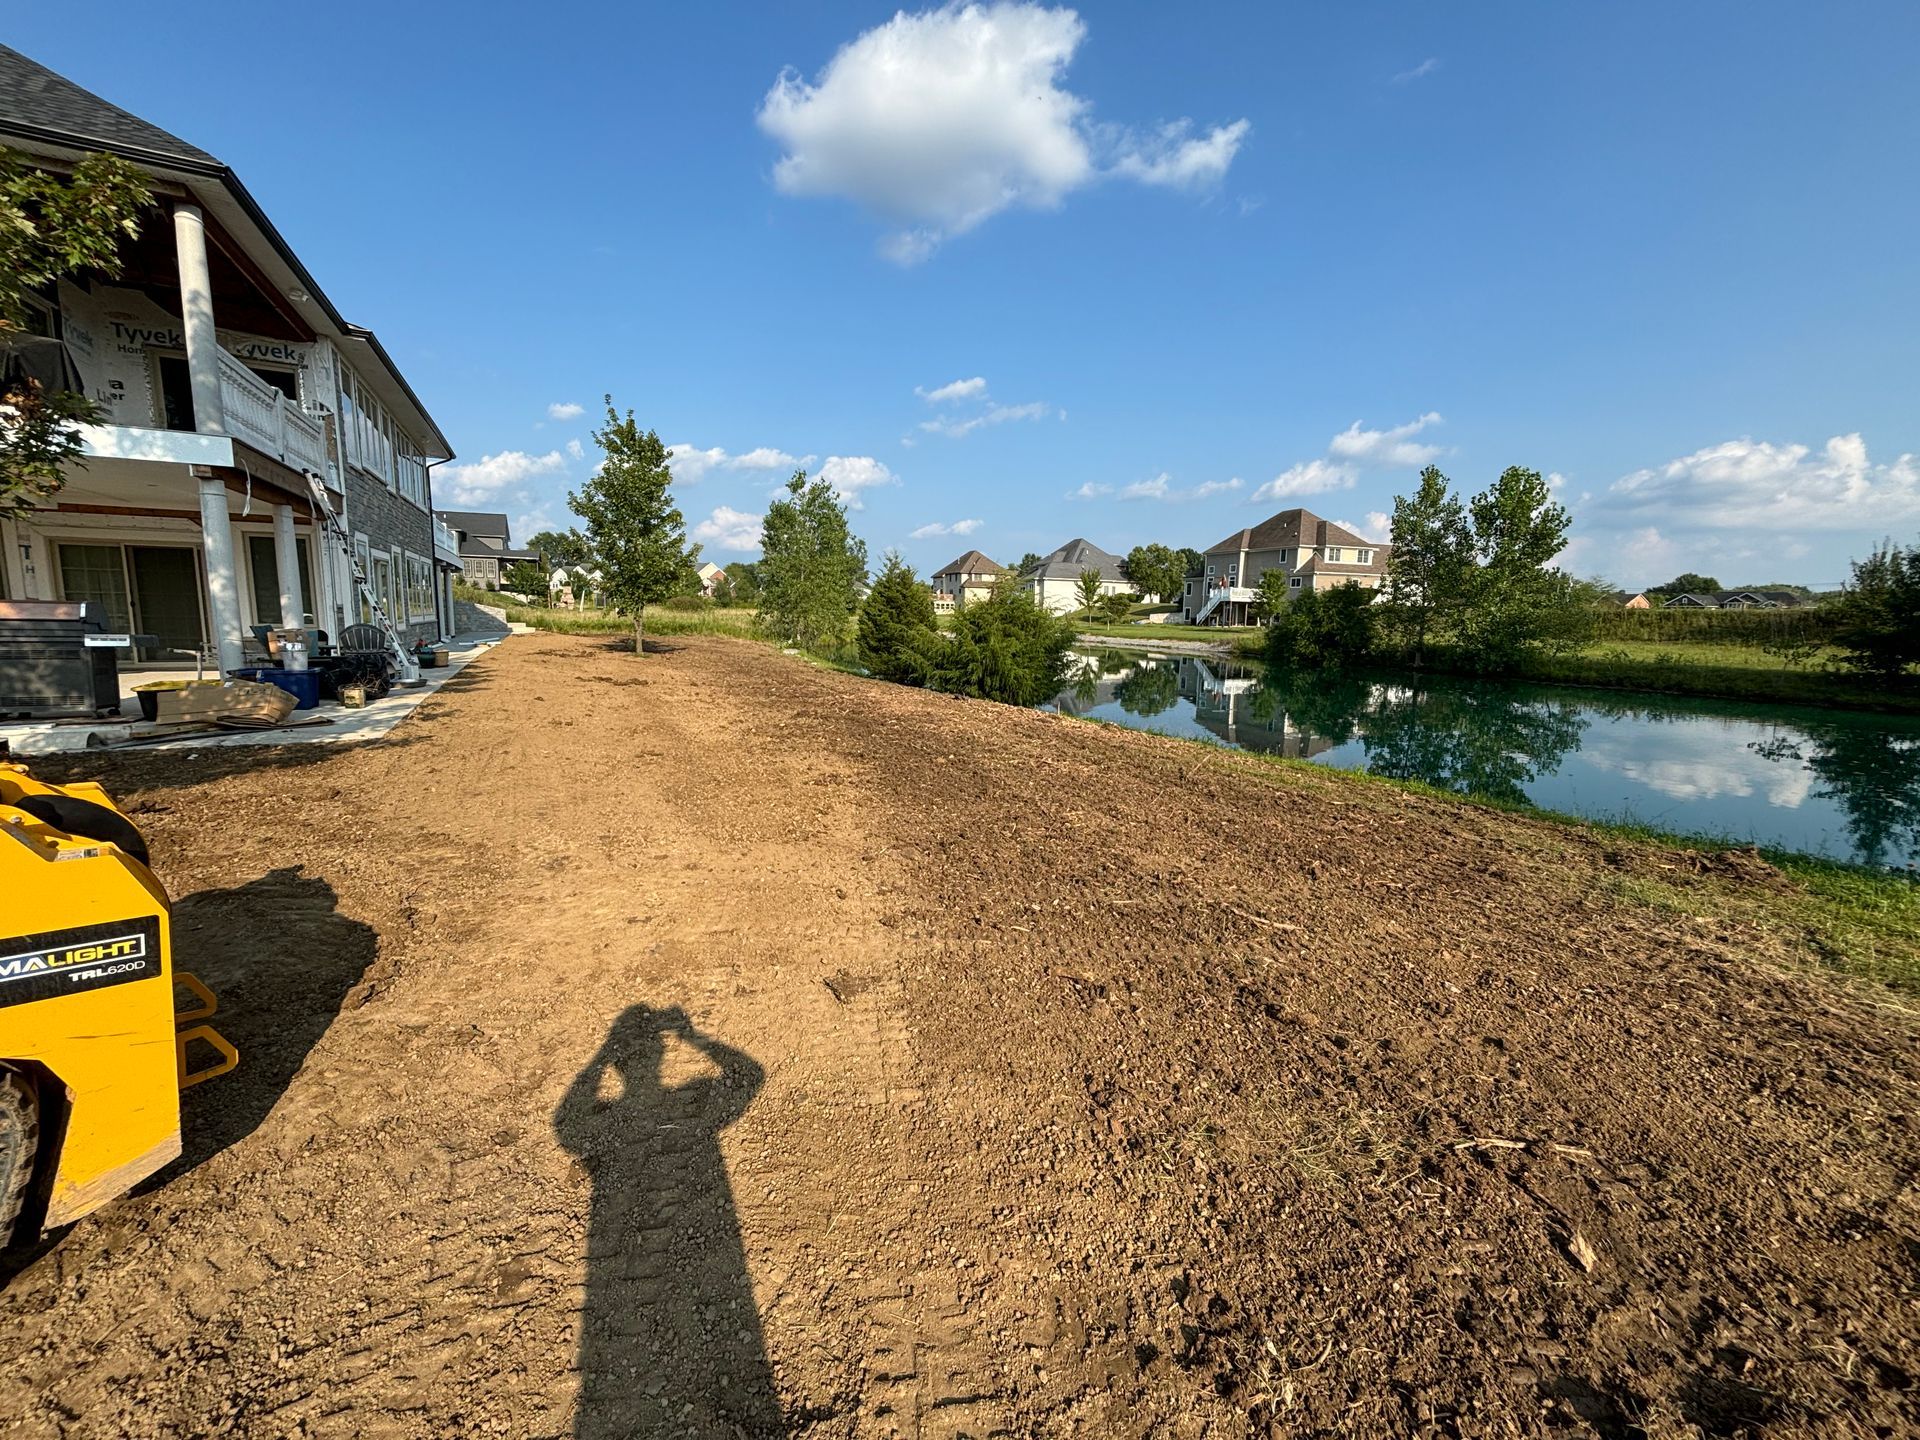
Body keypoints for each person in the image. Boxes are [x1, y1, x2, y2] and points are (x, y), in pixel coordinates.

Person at [554, 1005, 775, 1438]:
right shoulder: (691, 1103)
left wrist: (602, 1056)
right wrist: (695, 1039)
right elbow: (749, 1076)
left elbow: (567, 1128)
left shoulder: (611, 1120)